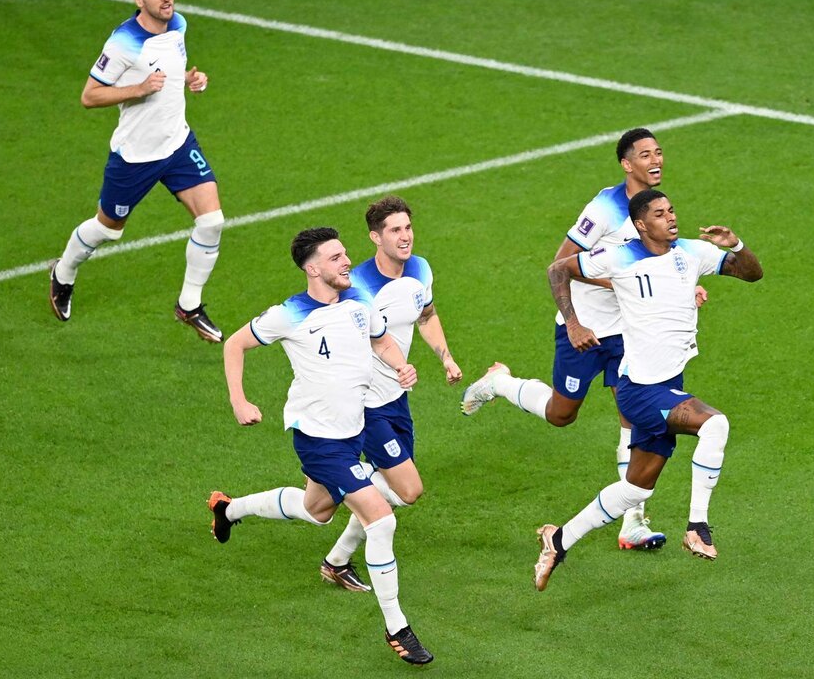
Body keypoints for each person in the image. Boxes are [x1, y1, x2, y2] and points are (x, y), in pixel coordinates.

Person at [461, 128, 705, 550]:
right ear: (627, 164)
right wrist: (579, 318)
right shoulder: (605, 208)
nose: (656, 160)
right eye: (645, 155)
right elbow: (560, 263)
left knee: (635, 419)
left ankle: (633, 521)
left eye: (659, 152)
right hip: (585, 329)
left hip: (630, 333)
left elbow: (662, 264)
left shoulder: (653, 212)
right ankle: (500, 382)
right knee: (561, 414)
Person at [207, 227, 433, 665]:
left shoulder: (358, 302)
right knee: (381, 520)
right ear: (313, 269)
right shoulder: (290, 314)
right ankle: (397, 628)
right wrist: (239, 400)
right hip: (319, 439)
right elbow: (235, 344)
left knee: (317, 510)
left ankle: (227, 510)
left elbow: (382, 339)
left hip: (355, 428)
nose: (347, 262)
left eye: (345, 254)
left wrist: (402, 365)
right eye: (335, 258)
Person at [532, 189, 763, 591]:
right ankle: (697, 527)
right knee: (715, 425)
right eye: (659, 214)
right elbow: (558, 269)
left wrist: (736, 245)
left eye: (672, 210)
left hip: (666, 385)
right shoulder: (620, 256)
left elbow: (752, 273)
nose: (670, 218)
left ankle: (559, 539)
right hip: (641, 391)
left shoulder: (690, 252)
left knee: (635, 488)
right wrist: (572, 323)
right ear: (641, 224)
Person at [48, 0, 225, 343]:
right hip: (135, 156)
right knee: (107, 230)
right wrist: (138, 89)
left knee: (211, 222)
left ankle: (189, 305)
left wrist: (192, 79)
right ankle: (63, 273)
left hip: (178, 144)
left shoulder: (179, 24)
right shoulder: (123, 42)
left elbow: (172, 72)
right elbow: (89, 95)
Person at [320, 196, 463, 593]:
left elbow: (427, 316)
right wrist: (396, 365)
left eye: (407, 228)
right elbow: (350, 345)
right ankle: (336, 477)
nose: (405, 237)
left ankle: (335, 560)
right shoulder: (357, 287)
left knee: (389, 490)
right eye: (395, 230)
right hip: (364, 403)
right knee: (408, 489)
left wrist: (445, 359)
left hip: (395, 398)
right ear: (375, 238)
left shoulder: (420, 269)